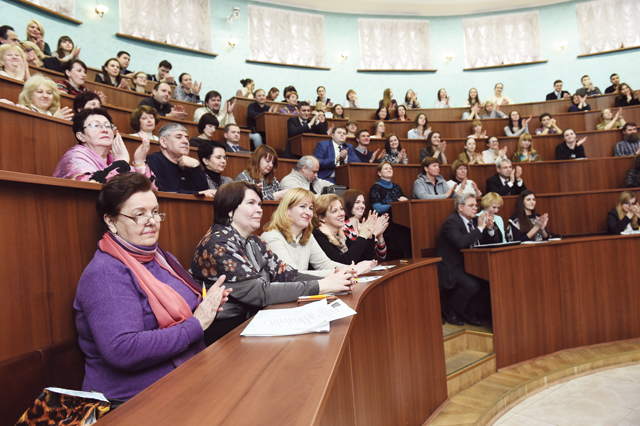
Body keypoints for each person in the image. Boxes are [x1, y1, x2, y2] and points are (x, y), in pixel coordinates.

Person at [74, 173, 229, 400]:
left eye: (155, 212)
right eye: (139, 214)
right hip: (134, 398)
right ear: (111, 221)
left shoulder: (162, 258)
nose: (152, 220)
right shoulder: (105, 273)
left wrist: (207, 307)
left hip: (188, 373)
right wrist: (197, 323)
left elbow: (188, 312)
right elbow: (123, 350)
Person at [191, 181, 357, 343]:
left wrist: (334, 280)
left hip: (253, 320)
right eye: (251, 203)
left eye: (260, 204)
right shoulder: (217, 243)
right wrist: (323, 285)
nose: (259, 210)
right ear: (229, 210)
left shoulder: (254, 240)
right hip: (226, 332)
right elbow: (259, 293)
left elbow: (286, 274)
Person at [262, 189, 376, 276]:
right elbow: (292, 275)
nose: (308, 212)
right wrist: (350, 270)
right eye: (302, 206)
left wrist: (353, 269)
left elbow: (324, 264)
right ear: (287, 211)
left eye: (311, 208)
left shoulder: (307, 236)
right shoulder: (272, 237)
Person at [436, 193, 502, 326]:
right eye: (471, 205)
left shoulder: (477, 220)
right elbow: (460, 242)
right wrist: (480, 228)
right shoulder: (451, 222)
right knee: (472, 285)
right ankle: (450, 309)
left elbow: (496, 240)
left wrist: (489, 229)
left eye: (475, 205)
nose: (475, 208)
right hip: (451, 265)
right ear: (460, 207)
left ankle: (471, 311)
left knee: (489, 279)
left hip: (471, 263)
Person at [53, 108, 154, 183]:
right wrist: (121, 162)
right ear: (81, 136)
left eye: (107, 126)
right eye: (95, 125)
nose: (104, 130)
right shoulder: (73, 158)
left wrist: (139, 162)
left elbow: (153, 189)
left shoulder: (112, 160)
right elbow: (89, 183)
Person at [312, 194, 383, 265]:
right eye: (334, 211)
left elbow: (364, 259)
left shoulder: (340, 235)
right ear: (322, 218)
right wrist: (362, 237)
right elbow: (343, 262)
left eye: (341, 209)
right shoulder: (317, 235)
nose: (341, 214)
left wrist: (369, 236)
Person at [145, 123, 213, 195]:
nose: (186, 141)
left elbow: (204, 192)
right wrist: (196, 193)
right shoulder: (153, 160)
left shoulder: (189, 163)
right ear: (163, 142)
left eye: (187, 138)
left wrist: (196, 166)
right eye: (178, 137)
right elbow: (159, 192)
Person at [369, 162, 412, 259]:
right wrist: (395, 205)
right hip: (386, 221)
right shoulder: (376, 188)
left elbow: (406, 201)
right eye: (386, 168)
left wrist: (405, 201)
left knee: (407, 229)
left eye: (390, 168)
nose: (389, 170)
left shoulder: (397, 187)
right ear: (379, 173)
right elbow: (377, 208)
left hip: (401, 221)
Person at [342, 189, 389, 259]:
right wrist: (373, 234)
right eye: (357, 202)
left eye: (363, 203)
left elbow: (382, 255)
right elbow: (357, 255)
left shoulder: (364, 225)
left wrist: (380, 235)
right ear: (348, 203)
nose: (362, 206)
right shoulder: (343, 227)